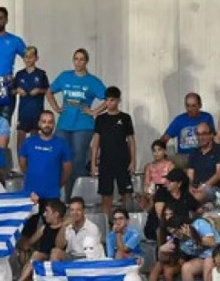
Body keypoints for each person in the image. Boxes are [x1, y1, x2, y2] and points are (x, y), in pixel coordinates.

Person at [48, 49, 106, 197]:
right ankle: (63, 195)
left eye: (82, 59)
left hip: (83, 125)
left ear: (86, 61)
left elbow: (109, 98)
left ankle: (76, 197)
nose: (78, 62)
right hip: (64, 124)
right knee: (62, 158)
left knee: (78, 160)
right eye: (76, 59)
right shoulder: (65, 76)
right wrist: (56, 108)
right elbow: (49, 91)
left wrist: (94, 111)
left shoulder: (92, 81)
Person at [91, 86, 137, 216]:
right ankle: (108, 221)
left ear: (118, 101)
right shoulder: (100, 119)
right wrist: (94, 163)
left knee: (126, 193)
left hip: (123, 160)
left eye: (112, 100)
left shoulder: (125, 117)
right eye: (107, 100)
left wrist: (133, 161)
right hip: (105, 161)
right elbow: (95, 143)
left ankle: (125, 220)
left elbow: (132, 142)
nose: (109, 103)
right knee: (106, 194)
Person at [19, 111, 72, 204]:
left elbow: (67, 170)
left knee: (51, 219)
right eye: (44, 122)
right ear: (39, 123)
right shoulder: (28, 142)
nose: (47, 125)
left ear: (54, 124)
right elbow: (23, 165)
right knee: (31, 219)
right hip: (31, 194)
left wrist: (56, 185)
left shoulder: (62, 144)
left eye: (50, 122)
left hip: (52, 195)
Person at [12, 45, 49, 153]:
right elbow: (12, 91)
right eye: (26, 57)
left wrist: (39, 90)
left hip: (36, 111)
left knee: (35, 138)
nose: (28, 59)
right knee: (20, 138)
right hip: (23, 112)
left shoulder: (41, 74)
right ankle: (20, 165)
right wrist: (18, 90)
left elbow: (47, 90)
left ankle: (32, 162)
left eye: (31, 57)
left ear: (36, 58)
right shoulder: (19, 74)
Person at [162, 92, 216, 161]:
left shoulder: (207, 117)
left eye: (193, 106)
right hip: (184, 157)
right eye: (188, 106)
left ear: (200, 105)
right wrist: (162, 153)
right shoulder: (179, 119)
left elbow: (213, 137)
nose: (190, 109)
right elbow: (165, 138)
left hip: (202, 156)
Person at [187, 123, 220, 206]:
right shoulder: (194, 153)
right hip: (196, 188)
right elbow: (190, 175)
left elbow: (219, 175)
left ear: (212, 135)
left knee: (194, 198)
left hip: (214, 188)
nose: (201, 137)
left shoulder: (219, 150)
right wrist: (190, 187)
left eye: (204, 134)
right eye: (198, 134)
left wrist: (203, 186)